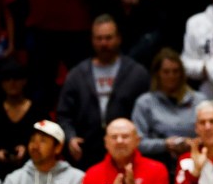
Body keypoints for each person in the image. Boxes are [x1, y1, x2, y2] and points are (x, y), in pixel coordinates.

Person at [57, 14, 151, 169]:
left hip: (127, 150)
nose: (103, 43)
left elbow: (148, 112)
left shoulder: (137, 73)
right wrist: (70, 137)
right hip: (86, 152)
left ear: (119, 38)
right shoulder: (77, 74)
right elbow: (63, 114)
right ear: (92, 40)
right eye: (99, 38)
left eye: (108, 38)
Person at [131, 47, 204, 172]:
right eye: (166, 72)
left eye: (175, 71)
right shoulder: (145, 103)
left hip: (196, 165)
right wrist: (165, 144)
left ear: (182, 73)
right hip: (157, 167)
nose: (171, 76)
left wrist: (194, 143)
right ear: (157, 74)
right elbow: (137, 142)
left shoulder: (199, 100)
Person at [0, 60, 48, 180]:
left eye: (16, 78)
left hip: (34, 174)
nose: (12, 83)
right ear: (1, 83)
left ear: (24, 81)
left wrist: (29, 149)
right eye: (7, 79)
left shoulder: (39, 113)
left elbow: (48, 143)